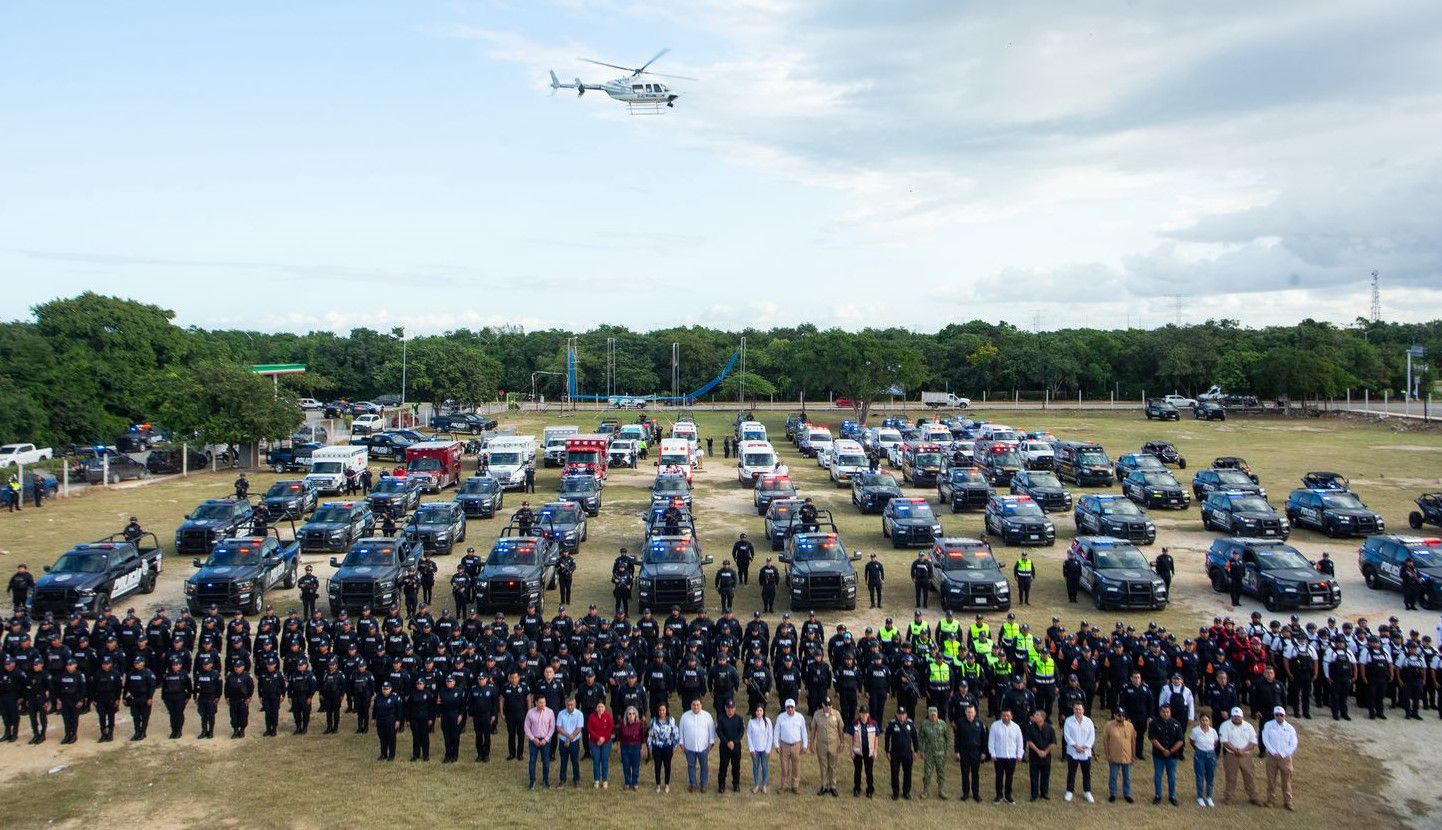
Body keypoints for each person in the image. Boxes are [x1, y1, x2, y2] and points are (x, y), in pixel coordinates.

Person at [1218, 706, 1260, 805]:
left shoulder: (1248, 726)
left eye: (1238, 716)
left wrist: (1243, 750)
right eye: (1234, 716)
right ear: (1231, 716)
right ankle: (1228, 797)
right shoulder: (1225, 725)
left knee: (1249, 776)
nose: (1237, 718)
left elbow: (1253, 742)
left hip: (1246, 755)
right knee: (1230, 777)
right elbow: (1224, 741)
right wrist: (1235, 750)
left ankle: (1253, 797)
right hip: (1231, 755)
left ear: (1242, 717)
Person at [1260, 706, 1297, 810]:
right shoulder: (1268, 725)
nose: (1279, 717)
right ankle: (1270, 801)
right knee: (1271, 780)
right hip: (1272, 757)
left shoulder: (1290, 728)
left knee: (1287, 781)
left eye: (1281, 715)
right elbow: (1265, 739)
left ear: (1285, 716)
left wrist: (1285, 753)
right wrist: (1273, 752)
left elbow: (1293, 743)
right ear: (1274, 715)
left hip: (1285, 758)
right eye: (1277, 715)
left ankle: (1288, 802)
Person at [1149, 702, 1184, 805]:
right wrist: (1163, 750)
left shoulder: (1176, 723)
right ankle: (1158, 795)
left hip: (1172, 756)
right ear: (1160, 712)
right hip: (1158, 755)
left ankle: (1172, 796)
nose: (1166, 714)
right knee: (1158, 776)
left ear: (1170, 712)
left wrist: (1171, 751)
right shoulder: (1154, 723)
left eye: (1167, 712)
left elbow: (1181, 740)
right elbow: (1152, 738)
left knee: (1172, 777)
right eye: (1163, 712)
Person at [772, 697, 809, 793]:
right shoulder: (781, 717)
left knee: (796, 766)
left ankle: (795, 786)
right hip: (784, 745)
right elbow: (776, 731)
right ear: (785, 708)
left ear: (795, 707)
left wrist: (805, 745)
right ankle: (784, 786)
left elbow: (804, 731)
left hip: (796, 745)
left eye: (792, 707)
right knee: (784, 767)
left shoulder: (800, 717)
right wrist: (776, 744)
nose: (790, 709)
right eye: (788, 707)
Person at [680, 697, 716, 793]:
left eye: (697, 705)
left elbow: (711, 731)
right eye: (694, 705)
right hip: (689, 747)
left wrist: (711, 742)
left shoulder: (707, 716)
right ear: (691, 705)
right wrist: (681, 743)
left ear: (701, 705)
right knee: (691, 766)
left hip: (703, 747)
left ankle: (703, 785)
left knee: (704, 766)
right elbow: (681, 731)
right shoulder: (685, 716)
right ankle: (693, 784)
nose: (695, 707)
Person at [988, 708, 1024, 803]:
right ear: (1001, 716)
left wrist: (1019, 755)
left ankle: (1008, 796)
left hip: (1011, 757)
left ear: (1011, 716)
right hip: (999, 757)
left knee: (1009, 777)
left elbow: (1020, 742)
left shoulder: (1016, 727)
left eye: (1008, 715)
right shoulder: (995, 726)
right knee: (999, 777)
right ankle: (998, 796)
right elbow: (991, 741)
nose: (1006, 717)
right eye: (1004, 715)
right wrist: (993, 754)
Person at [1062, 702, 1095, 803]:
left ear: (1083, 710)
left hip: (1085, 752)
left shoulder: (1089, 721)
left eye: (1080, 709)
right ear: (1073, 710)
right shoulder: (1068, 721)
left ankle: (1087, 791)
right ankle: (1069, 791)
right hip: (1073, 752)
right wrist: (1075, 746)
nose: (1078, 711)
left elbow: (1092, 737)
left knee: (1086, 773)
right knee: (1071, 772)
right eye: (1076, 709)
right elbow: (1067, 735)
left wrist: (1084, 747)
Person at [953, 703, 986, 802]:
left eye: (972, 712)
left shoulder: (979, 723)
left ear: (975, 712)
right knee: (965, 773)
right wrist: (957, 751)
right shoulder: (961, 723)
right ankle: (966, 793)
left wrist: (984, 752)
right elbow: (957, 739)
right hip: (964, 752)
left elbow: (984, 738)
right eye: (968, 712)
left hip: (976, 752)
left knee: (975, 774)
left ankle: (976, 794)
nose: (970, 714)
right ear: (965, 712)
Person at [811, 696, 844, 796]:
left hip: (833, 744)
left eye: (830, 705)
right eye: (826, 705)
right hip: (821, 744)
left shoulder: (837, 714)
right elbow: (813, 730)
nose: (828, 707)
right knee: (823, 765)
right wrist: (812, 743)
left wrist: (842, 742)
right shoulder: (817, 715)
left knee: (833, 766)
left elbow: (840, 729)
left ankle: (833, 786)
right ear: (822, 705)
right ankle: (824, 786)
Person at [918, 705, 951, 799]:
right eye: (931, 715)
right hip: (929, 753)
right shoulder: (924, 724)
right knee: (927, 773)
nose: (933, 716)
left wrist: (946, 752)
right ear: (928, 715)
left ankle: (941, 791)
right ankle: (925, 791)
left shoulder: (943, 724)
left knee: (941, 772)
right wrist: (921, 751)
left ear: (937, 714)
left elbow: (947, 738)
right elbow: (920, 738)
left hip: (940, 753)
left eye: (934, 715)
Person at [1102, 709, 1135, 803]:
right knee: (1113, 776)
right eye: (1119, 715)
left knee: (1127, 777)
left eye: (1122, 715)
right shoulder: (1109, 726)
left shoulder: (1130, 726)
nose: (1121, 717)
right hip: (1114, 755)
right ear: (1115, 715)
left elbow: (1133, 741)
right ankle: (1112, 793)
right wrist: (1107, 754)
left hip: (1127, 756)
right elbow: (1105, 741)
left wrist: (1133, 754)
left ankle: (1127, 794)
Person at [884, 706, 917, 800]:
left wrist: (916, 751)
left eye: (903, 714)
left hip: (907, 753)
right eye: (899, 714)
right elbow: (887, 737)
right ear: (896, 715)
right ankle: (895, 792)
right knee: (894, 773)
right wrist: (887, 751)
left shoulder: (910, 724)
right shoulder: (892, 724)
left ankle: (906, 792)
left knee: (908, 773)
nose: (901, 716)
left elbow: (915, 738)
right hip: (895, 753)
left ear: (906, 715)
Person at [525, 695, 556, 789]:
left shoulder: (550, 712)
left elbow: (552, 727)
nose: (543, 704)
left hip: (545, 742)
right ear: (536, 703)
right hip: (533, 741)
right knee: (532, 761)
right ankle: (532, 781)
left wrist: (545, 739)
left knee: (546, 762)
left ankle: (545, 781)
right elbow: (526, 727)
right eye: (541, 702)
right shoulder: (530, 713)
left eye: (544, 702)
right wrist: (533, 738)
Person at [647, 702, 680, 792]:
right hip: (656, 747)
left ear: (666, 710)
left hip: (667, 747)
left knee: (667, 766)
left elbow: (675, 733)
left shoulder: (671, 720)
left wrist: (674, 746)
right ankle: (658, 784)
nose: (662, 712)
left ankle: (666, 784)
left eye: (663, 710)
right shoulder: (653, 721)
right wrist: (650, 746)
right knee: (657, 766)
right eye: (660, 710)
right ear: (658, 711)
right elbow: (650, 735)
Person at [1024, 709, 1055, 801]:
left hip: (1046, 757)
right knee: (1034, 775)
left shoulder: (1049, 728)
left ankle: (1044, 792)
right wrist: (1038, 751)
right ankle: (1034, 794)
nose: (1034, 716)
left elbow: (1052, 742)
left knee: (1045, 775)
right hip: (1034, 756)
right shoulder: (1030, 728)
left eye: (1037, 715)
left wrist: (1045, 752)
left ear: (1043, 717)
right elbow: (1029, 742)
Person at [1189, 713, 1219, 807]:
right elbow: (1192, 742)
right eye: (1202, 720)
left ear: (1209, 721)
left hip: (1211, 755)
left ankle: (1209, 797)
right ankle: (1200, 797)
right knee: (1200, 776)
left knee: (1210, 777)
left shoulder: (1213, 731)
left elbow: (1216, 742)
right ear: (1200, 721)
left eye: (1206, 720)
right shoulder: (1195, 731)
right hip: (1199, 755)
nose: (1204, 722)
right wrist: (1198, 749)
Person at [717, 698, 745, 793]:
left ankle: (736, 784)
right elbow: (719, 732)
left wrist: (734, 742)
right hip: (724, 747)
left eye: (732, 708)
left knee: (736, 767)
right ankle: (721, 785)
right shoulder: (721, 718)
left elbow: (741, 732)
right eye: (728, 708)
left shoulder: (739, 719)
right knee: (723, 767)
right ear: (725, 708)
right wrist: (727, 742)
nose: (730, 710)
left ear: (735, 708)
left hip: (736, 747)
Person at [556, 697, 584, 786]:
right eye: (568, 705)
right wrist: (568, 736)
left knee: (575, 761)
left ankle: (576, 779)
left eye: (572, 705)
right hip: (563, 741)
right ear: (565, 704)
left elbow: (579, 728)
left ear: (575, 704)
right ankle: (562, 780)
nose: (570, 707)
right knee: (563, 761)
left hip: (574, 741)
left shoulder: (579, 714)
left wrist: (571, 737)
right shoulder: (561, 713)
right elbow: (559, 728)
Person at [746, 704, 774, 794]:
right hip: (755, 749)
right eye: (757, 711)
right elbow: (748, 736)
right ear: (755, 712)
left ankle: (764, 785)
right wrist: (751, 750)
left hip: (764, 749)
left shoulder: (767, 721)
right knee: (755, 766)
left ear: (763, 711)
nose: (759, 712)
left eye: (761, 710)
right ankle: (757, 785)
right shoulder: (751, 722)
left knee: (764, 766)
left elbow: (770, 736)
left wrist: (768, 750)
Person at [586, 701, 613, 788]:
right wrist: (598, 738)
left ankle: (604, 780)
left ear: (604, 708)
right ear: (596, 708)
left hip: (606, 742)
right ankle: (596, 780)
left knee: (604, 760)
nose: (600, 708)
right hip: (594, 742)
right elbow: (589, 729)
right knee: (596, 761)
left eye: (602, 707)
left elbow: (610, 729)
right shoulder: (591, 717)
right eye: (598, 707)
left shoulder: (608, 716)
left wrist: (603, 739)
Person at [618, 706, 645, 791]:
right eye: (629, 714)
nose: (631, 715)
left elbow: (642, 737)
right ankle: (627, 782)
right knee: (626, 766)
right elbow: (619, 737)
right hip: (625, 747)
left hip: (636, 747)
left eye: (633, 714)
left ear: (636, 715)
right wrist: (619, 748)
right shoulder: (623, 724)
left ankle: (635, 782)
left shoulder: (639, 724)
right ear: (626, 715)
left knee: (635, 766)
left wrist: (641, 748)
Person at [373, 682, 401, 761]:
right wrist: (374, 718)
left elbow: (399, 710)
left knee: (391, 738)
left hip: (390, 721)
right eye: (383, 689)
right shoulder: (378, 697)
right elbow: (375, 708)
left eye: (386, 689)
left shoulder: (395, 697)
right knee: (382, 738)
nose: (385, 691)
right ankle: (383, 754)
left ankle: (391, 755)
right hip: (380, 720)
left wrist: (398, 721)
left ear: (390, 689)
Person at [407, 678, 434, 761]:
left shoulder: (428, 694)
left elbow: (431, 707)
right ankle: (416, 754)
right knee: (416, 737)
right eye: (418, 684)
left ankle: (426, 755)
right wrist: (408, 719)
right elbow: (408, 707)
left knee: (425, 737)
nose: (419, 685)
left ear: (424, 684)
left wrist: (430, 718)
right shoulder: (412, 694)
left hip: (424, 719)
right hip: (414, 719)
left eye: (421, 683)